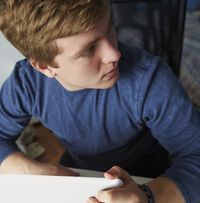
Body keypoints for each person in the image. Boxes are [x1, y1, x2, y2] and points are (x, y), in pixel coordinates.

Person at [0, 0, 199, 203]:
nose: (115, 54)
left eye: (111, 27)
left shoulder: (149, 81)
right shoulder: (26, 84)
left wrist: (148, 196)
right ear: (44, 67)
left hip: (150, 175)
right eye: (88, 50)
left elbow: (196, 154)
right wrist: (26, 167)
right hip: (77, 174)